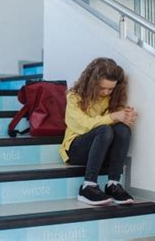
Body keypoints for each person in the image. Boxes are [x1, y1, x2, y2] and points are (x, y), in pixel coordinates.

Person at [59, 57, 137, 206]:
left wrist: (126, 117)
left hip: (101, 149)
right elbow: (83, 126)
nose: (106, 92)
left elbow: (116, 127)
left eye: (110, 89)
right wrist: (113, 116)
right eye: (102, 88)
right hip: (75, 149)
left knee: (122, 129)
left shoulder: (112, 98)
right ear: (91, 83)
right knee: (104, 130)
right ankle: (88, 186)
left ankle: (113, 183)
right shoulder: (74, 97)